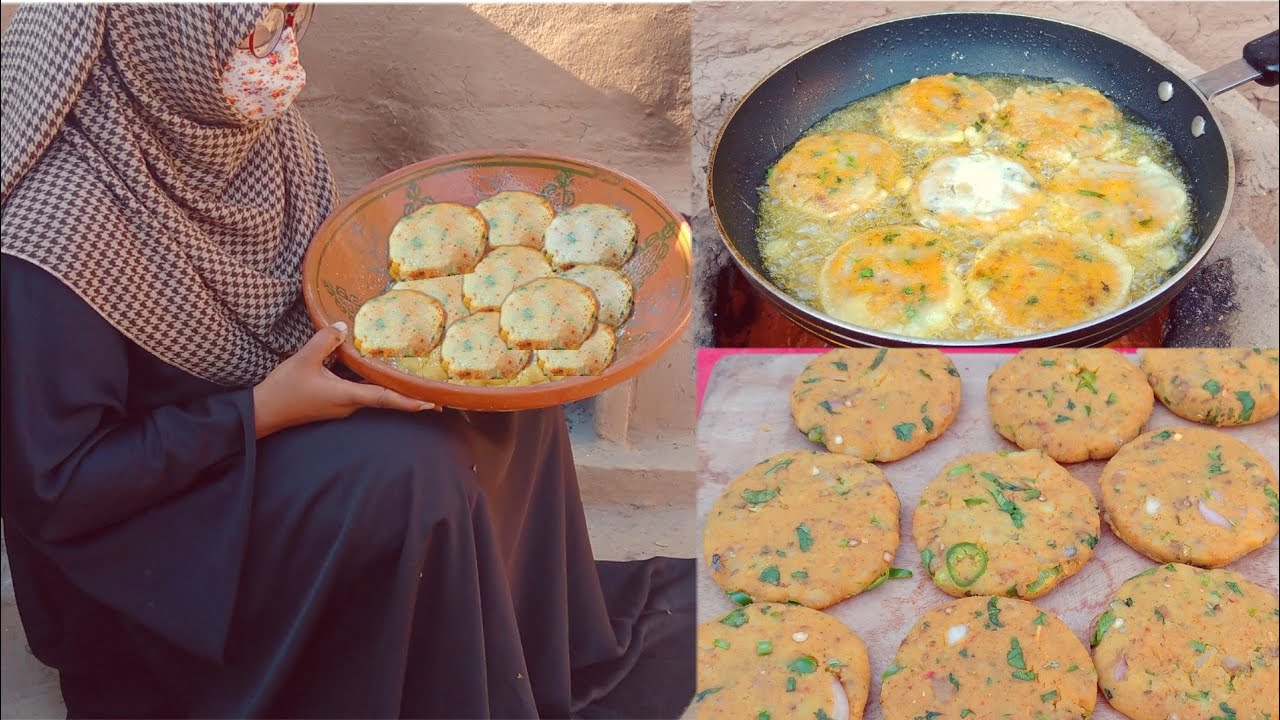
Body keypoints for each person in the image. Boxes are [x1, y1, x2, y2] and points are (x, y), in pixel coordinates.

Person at [0, 4, 693, 718]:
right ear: (157, 46)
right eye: (259, 31)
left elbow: (310, 305)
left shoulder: (238, 139)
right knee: (415, 474)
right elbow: (55, 489)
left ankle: (509, 663)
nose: (284, 59)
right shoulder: (57, 230)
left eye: (289, 20)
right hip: (160, 525)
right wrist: (264, 410)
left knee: (504, 394)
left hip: (264, 419)